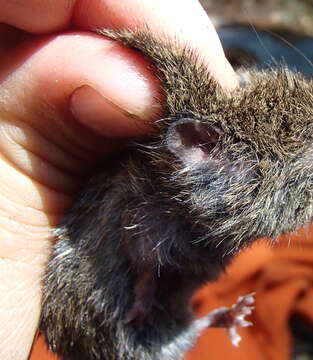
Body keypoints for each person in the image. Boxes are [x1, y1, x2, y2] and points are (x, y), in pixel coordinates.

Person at [0, 1, 238, 358]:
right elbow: (144, 243)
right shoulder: (158, 195)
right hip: (105, 316)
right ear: (201, 148)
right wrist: (145, 288)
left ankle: (201, 322)